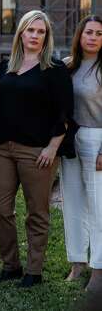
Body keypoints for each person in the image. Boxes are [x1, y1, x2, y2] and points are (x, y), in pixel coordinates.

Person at [0, 10, 73, 288]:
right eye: (30, 30)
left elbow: (65, 113)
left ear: (46, 36)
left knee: (37, 212)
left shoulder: (55, 69)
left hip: (38, 150)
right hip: (3, 148)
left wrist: (52, 147)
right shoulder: (6, 66)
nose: (35, 35)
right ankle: (11, 265)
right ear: (21, 33)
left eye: (41, 31)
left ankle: (34, 271)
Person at [61, 15, 102, 290]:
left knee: (99, 208)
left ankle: (98, 270)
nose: (94, 37)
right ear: (80, 35)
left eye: (100, 33)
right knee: (73, 204)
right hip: (70, 140)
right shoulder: (67, 66)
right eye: (89, 32)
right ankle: (77, 263)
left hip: (97, 139)